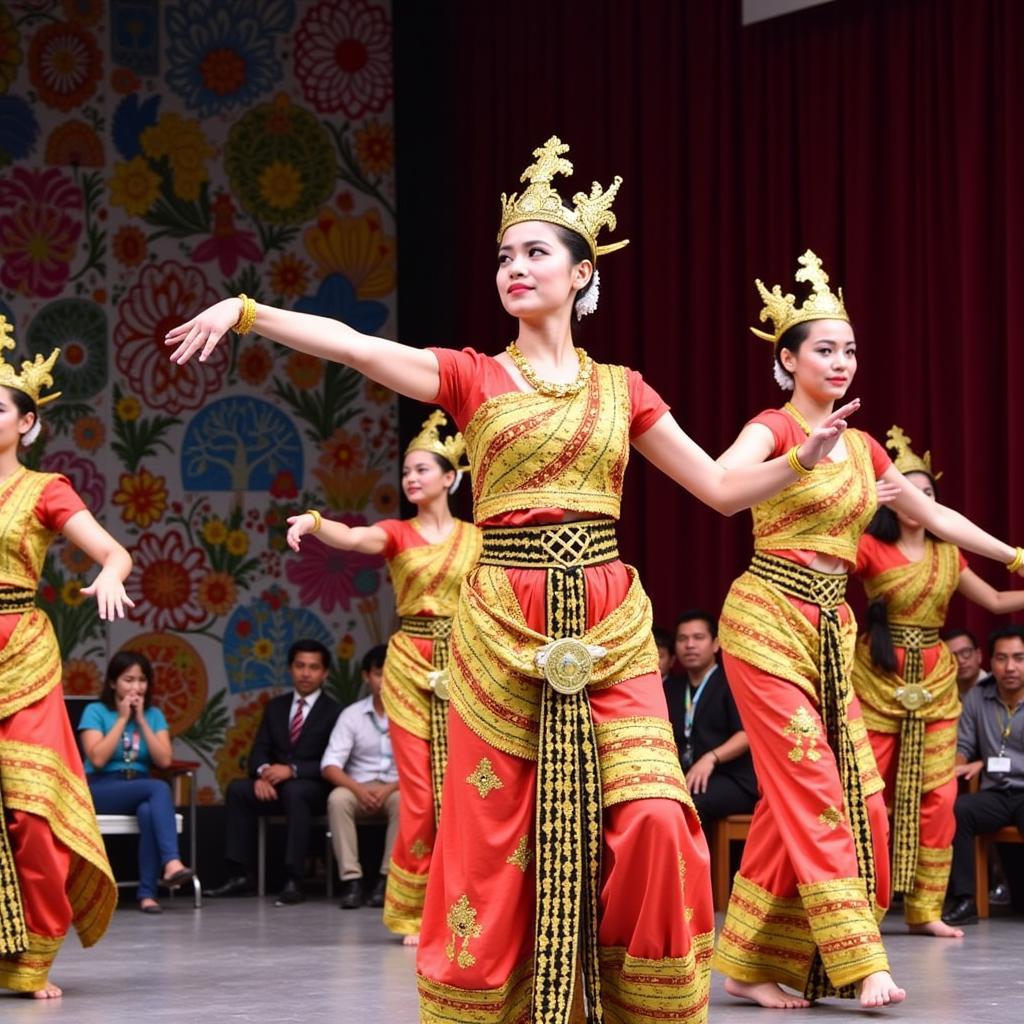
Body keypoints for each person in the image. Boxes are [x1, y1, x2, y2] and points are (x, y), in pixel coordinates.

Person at [167, 137, 861, 1024]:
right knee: (495, 838)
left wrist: (798, 462)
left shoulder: (623, 389)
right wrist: (250, 311)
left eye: (536, 252)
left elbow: (721, 489)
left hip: (608, 621)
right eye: (504, 255)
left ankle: (640, 1001)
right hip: (503, 622)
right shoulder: (471, 375)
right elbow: (353, 347)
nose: (515, 268)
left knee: (653, 817)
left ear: (580, 275)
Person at [711, 251, 1024, 1009]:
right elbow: (721, 487)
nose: (841, 361)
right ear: (786, 360)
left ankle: (749, 961)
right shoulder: (773, 425)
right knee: (815, 786)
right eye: (824, 348)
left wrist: (1015, 554)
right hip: (764, 620)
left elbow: (934, 517)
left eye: (849, 348)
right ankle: (860, 961)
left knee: (858, 797)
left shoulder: (864, 445)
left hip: (828, 631)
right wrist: (795, 460)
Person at [287, 412, 481, 942]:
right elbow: (352, 537)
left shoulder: (478, 539)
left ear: (450, 477)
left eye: (422, 470)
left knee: (470, 788)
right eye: (405, 472)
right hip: (412, 662)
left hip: (467, 661)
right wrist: (315, 522)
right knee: (418, 793)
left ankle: (473, 904)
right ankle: (413, 911)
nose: (411, 479)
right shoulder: (397, 533)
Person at [0, 321, 132, 998]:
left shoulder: (44, 489)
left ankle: (33, 957)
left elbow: (112, 551)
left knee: (30, 810)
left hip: (18, 649)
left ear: (26, 424)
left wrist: (110, 572)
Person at [851, 428, 1024, 938]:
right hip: (877, 676)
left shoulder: (950, 556)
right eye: (906, 490)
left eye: (927, 494)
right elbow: (826, 567)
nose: (917, 500)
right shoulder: (868, 546)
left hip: (935, 678)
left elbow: (993, 602)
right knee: (868, 794)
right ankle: (863, 906)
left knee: (941, 796)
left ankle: (927, 907)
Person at [203, 639, 341, 906]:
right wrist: (262, 773)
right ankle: (239, 875)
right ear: (290, 669)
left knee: (295, 790)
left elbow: (334, 760)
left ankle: (293, 879)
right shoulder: (276, 707)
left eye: (313, 667)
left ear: (325, 673)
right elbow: (258, 751)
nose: (305, 673)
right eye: (300, 666)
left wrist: (292, 770)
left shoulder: (335, 711)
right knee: (238, 790)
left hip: (313, 787)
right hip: (275, 785)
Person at [79, 651, 194, 914]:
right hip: (101, 787)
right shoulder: (95, 711)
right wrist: (122, 719)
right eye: (128, 680)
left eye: (142, 680)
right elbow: (96, 758)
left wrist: (140, 720)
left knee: (149, 810)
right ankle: (172, 863)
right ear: (112, 683)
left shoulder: (153, 715)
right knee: (159, 788)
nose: (136, 687)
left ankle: (147, 895)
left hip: (140, 788)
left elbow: (164, 760)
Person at [943, 626, 1024, 925]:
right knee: (959, 809)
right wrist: (957, 764)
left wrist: (986, 764)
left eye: (1019, 658)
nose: (1010, 667)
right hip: (997, 793)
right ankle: (967, 900)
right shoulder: (979, 696)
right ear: (989, 661)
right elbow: (965, 744)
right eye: (1002, 658)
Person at [663, 610, 757, 836]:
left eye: (698, 638)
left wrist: (711, 758)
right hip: (686, 776)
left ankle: (688, 871)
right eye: (682, 639)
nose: (690, 645)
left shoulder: (731, 683)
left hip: (732, 778)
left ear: (715, 644)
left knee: (689, 807)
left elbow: (745, 735)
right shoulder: (671, 687)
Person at [320, 645, 399, 911]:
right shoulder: (352, 715)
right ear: (367, 676)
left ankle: (386, 881)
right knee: (337, 799)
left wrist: (388, 790)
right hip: (358, 786)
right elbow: (330, 765)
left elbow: (424, 765)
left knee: (406, 802)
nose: (384, 679)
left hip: (396, 787)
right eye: (378, 673)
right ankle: (352, 882)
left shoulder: (411, 715)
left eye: (391, 672)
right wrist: (359, 789)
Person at [943, 628, 990, 696]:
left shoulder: (997, 689)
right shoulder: (944, 695)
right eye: (952, 656)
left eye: (966, 652)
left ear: (979, 655)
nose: (960, 661)